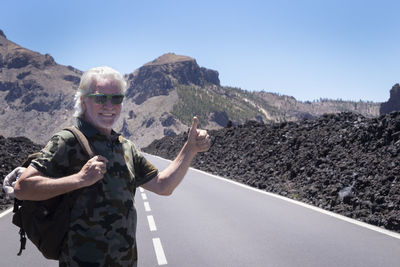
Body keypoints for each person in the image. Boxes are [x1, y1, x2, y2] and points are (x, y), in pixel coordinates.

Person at [14, 66, 211, 266]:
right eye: (100, 98)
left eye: (116, 99)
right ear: (84, 101)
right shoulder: (67, 141)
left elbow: (163, 186)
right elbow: (22, 188)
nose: (109, 105)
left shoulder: (125, 147)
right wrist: (79, 179)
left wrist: (190, 148)